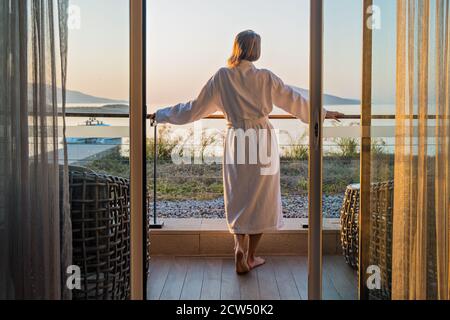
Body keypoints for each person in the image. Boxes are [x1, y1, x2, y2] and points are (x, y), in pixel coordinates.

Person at [150, 30, 343, 274]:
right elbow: (294, 100)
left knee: (238, 195)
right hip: (261, 139)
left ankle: (238, 248)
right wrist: (323, 113)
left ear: (236, 47)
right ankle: (251, 256)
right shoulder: (266, 78)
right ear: (256, 50)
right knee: (262, 198)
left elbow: (194, 109)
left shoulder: (222, 77)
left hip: (237, 139)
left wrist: (161, 114)